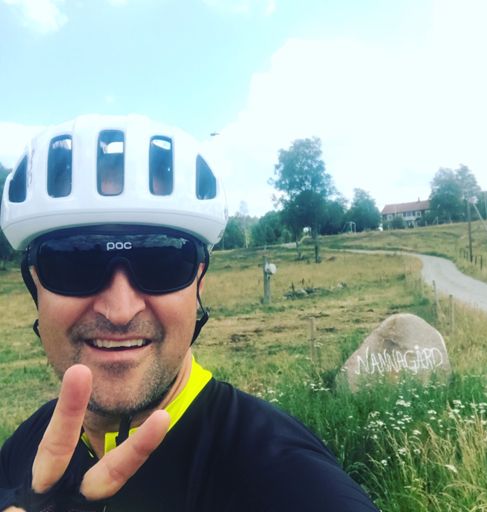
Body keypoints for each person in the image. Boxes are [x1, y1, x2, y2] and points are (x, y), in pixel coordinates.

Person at [0, 115, 379, 512]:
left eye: (163, 262)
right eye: (73, 263)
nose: (120, 310)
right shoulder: (23, 449)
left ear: (198, 283)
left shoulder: (287, 478)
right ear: (36, 284)